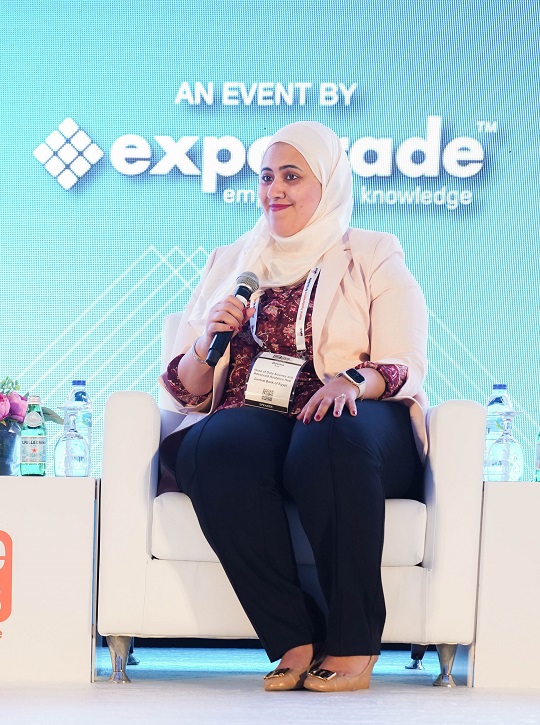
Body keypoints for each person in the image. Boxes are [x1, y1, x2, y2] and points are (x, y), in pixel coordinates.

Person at [159, 121, 427, 692]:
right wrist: (211, 342)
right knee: (211, 445)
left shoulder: (373, 253)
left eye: (290, 176)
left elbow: (406, 363)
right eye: (265, 177)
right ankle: (293, 636)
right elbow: (183, 388)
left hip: (355, 418)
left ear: (326, 183)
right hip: (258, 417)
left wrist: (353, 380)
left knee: (329, 434)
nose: (273, 190)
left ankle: (354, 643)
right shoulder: (234, 260)